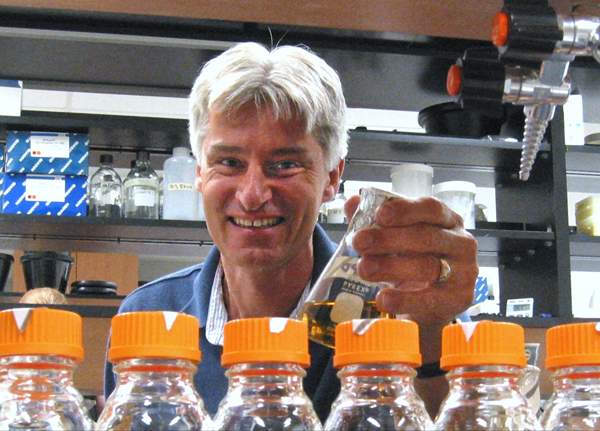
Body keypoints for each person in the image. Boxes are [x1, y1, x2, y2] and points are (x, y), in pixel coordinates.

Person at [104, 42, 479, 421]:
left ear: (332, 177)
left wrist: (429, 338)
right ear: (200, 171)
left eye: (284, 164)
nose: (252, 195)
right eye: (229, 162)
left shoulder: (407, 306)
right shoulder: (148, 316)